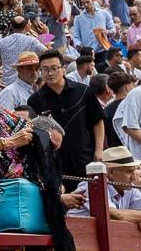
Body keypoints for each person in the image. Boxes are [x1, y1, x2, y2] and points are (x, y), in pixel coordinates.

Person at [28, 49, 105, 182]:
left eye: (54, 68)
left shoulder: (83, 91)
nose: (50, 73)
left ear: (63, 68)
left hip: (86, 158)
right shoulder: (35, 100)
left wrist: (99, 150)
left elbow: (97, 121)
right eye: (45, 69)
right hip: (56, 164)